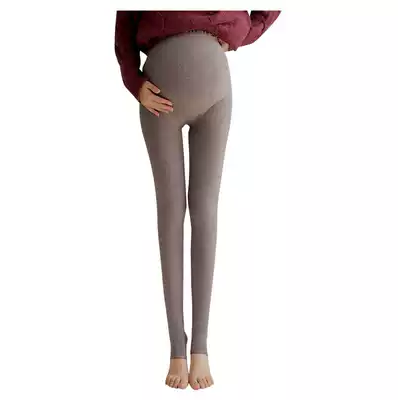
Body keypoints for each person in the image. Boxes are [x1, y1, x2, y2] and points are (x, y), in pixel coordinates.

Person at [114, 10, 281, 390]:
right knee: (178, 211)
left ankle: (198, 347)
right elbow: (124, 23)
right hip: (166, 90)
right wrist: (133, 81)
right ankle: (179, 348)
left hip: (199, 81)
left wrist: (244, 33)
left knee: (195, 211)